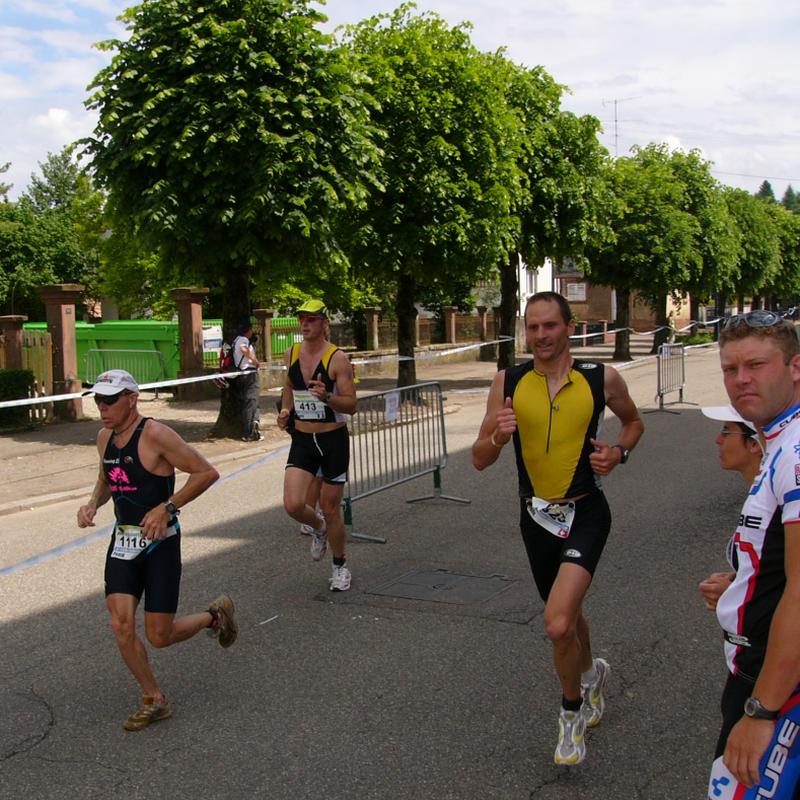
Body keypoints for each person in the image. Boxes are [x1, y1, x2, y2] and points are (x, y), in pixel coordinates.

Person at [471, 291, 644, 766]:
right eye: (532, 327)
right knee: (566, 616)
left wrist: (618, 453)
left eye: (550, 325)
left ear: (570, 327)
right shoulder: (508, 382)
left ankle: (572, 711)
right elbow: (480, 460)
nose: (541, 336)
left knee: (557, 622)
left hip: (586, 512)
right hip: (536, 517)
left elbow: (633, 424)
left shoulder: (599, 377)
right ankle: (592, 673)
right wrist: (497, 436)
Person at [76, 369, 237, 732]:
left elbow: (206, 472)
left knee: (159, 636)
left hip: (160, 544)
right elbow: (107, 479)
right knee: (120, 623)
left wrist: (168, 507)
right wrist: (92, 505)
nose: (103, 407)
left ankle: (214, 617)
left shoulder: (156, 434)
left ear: (132, 398)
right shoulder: (104, 438)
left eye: (110, 399)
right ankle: (155, 698)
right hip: (124, 541)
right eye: (98, 399)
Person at [705, 310, 800, 798]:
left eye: (757, 365)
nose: (741, 380)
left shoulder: (796, 453)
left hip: (776, 689)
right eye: (729, 368)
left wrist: (761, 711)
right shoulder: (778, 441)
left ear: (794, 368)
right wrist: (743, 587)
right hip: (756, 671)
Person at [277, 299, 357, 591]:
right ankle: (319, 529)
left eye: (312, 319)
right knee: (294, 504)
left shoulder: (338, 359)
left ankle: (340, 566)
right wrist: (286, 411)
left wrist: (327, 398)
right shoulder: (292, 353)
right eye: (302, 319)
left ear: (325, 324)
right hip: (303, 438)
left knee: (331, 508)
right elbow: (289, 386)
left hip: (332, 439)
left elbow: (352, 405)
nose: (305, 324)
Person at [697, 406, 762, 613]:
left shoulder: (776, 502)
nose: (718, 439)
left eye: (726, 431)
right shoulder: (761, 494)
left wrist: (736, 591)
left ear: (753, 444)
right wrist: (736, 579)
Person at [231, 320, 262, 441]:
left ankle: (254, 429)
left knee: (253, 401)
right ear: (247, 330)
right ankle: (248, 432)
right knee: (251, 401)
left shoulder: (237, 340)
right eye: (251, 330)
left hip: (244, 374)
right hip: (249, 374)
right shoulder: (242, 340)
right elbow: (244, 350)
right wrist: (256, 361)